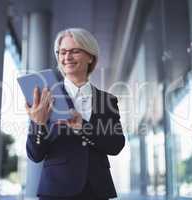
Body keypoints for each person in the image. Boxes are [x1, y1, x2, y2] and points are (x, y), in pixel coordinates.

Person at [25, 28, 125, 200]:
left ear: (90, 56)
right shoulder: (46, 96)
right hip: (56, 190)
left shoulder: (107, 100)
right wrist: (38, 124)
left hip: (96, 190)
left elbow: (116, 145)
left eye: (74, 51)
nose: (67, 57)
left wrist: (83, 127)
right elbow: (35, 155)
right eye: (62, 52)